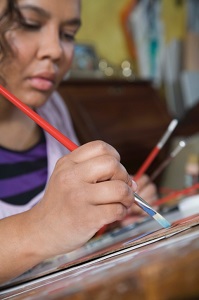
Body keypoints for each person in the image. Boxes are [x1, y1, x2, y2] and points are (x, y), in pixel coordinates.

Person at [0, 0, 157, 284]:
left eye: (68, 34)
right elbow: (52, 228)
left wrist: (106, 216)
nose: (56, 51)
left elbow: (67, 239)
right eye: (29, 24)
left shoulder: (52, 108)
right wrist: (41, 228)